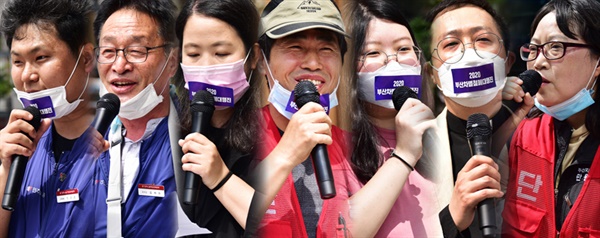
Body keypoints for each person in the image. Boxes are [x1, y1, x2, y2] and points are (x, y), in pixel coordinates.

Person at [425, 0, 531, 236]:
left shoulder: (543, 133)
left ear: (508, 62)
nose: (469, 54)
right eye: (451, 43)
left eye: (483, 40)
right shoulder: (412, 148)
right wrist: (452, 219)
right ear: (433, 74)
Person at [0, 0, 104, 237]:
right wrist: (6, 168)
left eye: (41, 58)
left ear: (86, 58)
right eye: (17, 61)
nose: (27, 76)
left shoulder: (116, 143)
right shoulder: (19, 146)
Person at [250, 0, 354, 237]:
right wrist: (286, 154)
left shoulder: (358, 150)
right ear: (260, 59)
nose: (313, 63)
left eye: (326, 49)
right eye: (295, 47)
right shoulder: (235, 139)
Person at [501, 0, 600, 236]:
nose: (538, 62)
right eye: (533, 49)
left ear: (598, 62)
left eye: (556, 47)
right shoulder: (522, 132)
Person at [343, 0, 441, 237]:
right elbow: (341, 230)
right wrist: (404, 155)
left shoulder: (441, 136)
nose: (393, 62)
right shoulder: (335, 148)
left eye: (404, 49)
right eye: (373, 52)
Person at [91, 0, 181, 237]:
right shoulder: (76, 143)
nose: (119, 66)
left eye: (136, 51)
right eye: (108, 51)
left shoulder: (197, 138)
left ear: (171, 62)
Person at [173, 0, 262, 236]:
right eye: (193, 53)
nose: (205, 67)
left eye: (221, 53)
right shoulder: (169, 131)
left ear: (253, 57)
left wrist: (220, 177)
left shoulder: (273, 137)